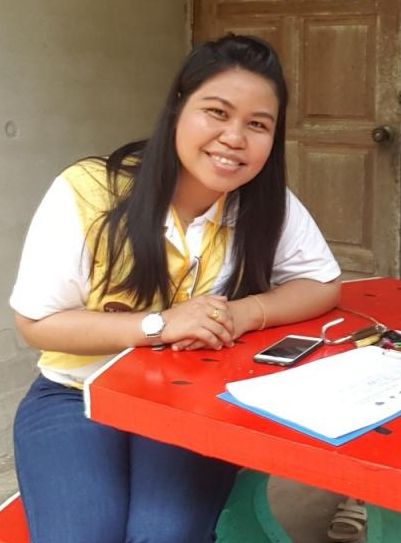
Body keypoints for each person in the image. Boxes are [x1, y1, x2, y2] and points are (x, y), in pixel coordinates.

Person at [10, 34, 341, 543]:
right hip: (75, 392)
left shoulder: (264, 202)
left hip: (189, 399)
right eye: (217, 112)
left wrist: (243, 312)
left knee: (163, 534)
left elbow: (321, 283)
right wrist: (160, 325)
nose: (234, 138)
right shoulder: (90, 191)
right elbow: (37, 323)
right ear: (178, 107)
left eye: (258, 124)